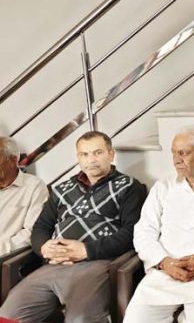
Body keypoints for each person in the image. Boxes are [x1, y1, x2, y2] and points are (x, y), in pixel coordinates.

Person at [0, 131, 147, 323]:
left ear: (111, 154)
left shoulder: (129, 187)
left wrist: (86, 250)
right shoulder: (62, 189)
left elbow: (131, 233)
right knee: (7, 316)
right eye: (84, 154)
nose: (91, 160)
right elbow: (41, 227)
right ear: (78, 157)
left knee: (80, 319)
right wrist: (44, 247)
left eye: (97, 153)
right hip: (53, 264)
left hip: (95, 264)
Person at [123, 126, 194, 323]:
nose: (176, 159)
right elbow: (143, 233)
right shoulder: (163, 188)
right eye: (174, 153)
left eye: (183, 153)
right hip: (165, 274)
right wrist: (164, 261)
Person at [0, 136, 48, 255]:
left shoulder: (34, 187)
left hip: (6, 257)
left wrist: (2, 249)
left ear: (13, 160)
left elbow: (31, 232)